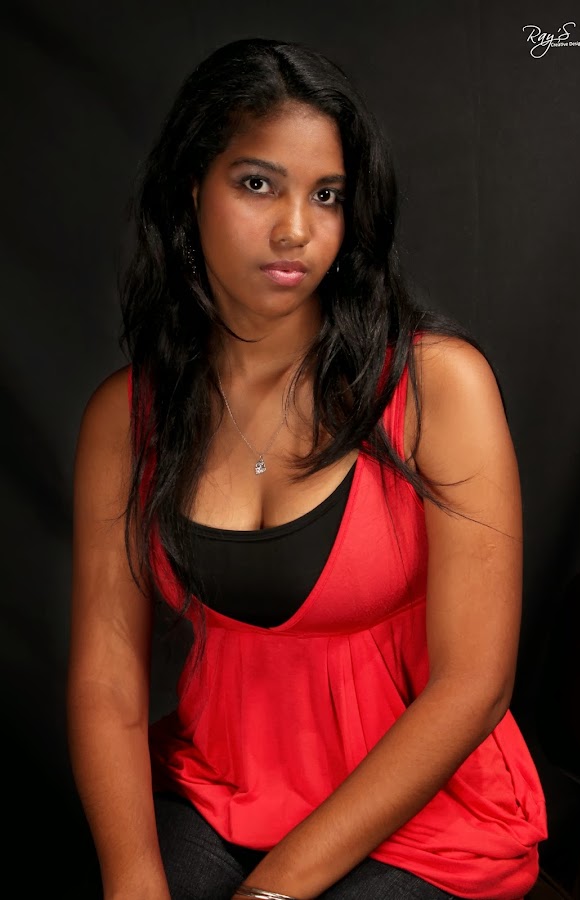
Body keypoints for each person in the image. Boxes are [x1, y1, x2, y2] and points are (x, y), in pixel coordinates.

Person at [66, 36, 547, 900]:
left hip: (425, 817)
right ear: (192, 187)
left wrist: (273, 891)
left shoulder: (437, 387)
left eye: (327, 195)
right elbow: (106, 678)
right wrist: (132, 880)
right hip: (221, 790)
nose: (297, 228)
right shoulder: (127, 417)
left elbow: (475, 685)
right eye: (258, 184)